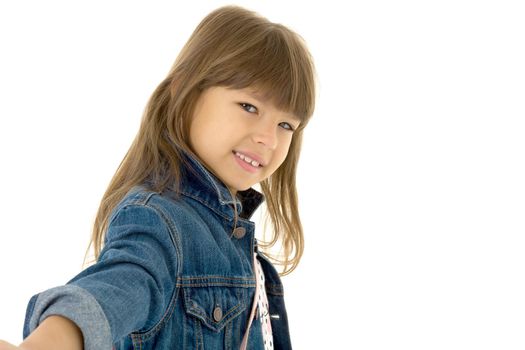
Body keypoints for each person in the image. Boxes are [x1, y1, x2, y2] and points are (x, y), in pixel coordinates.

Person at [0, 5, 315, 350]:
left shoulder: (233, 237)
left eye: (286, 125)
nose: (268, 139)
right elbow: (115, 289)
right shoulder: (159, 221)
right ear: (185, 92)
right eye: (249, 107)